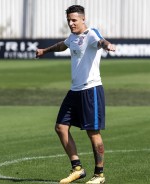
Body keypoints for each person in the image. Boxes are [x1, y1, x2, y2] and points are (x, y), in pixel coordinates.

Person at [35, 5, 116, 184]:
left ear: (83, 19)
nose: (71, 23)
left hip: (91, 90)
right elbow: (62, 45)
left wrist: (108, 45)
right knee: (61, 127)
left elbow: (101, 41)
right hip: (74, 91)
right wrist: (45, 51)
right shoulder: (72, 37)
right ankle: (77, 168)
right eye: (69, 20)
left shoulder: (91, 34)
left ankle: (99, 175)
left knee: (92, 132)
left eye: (74, 20)